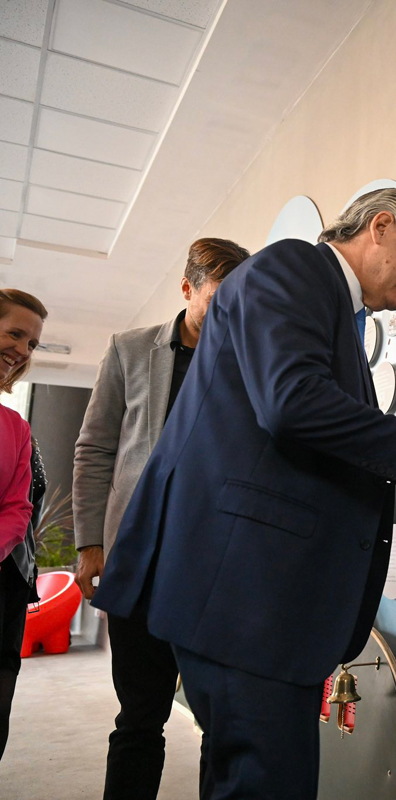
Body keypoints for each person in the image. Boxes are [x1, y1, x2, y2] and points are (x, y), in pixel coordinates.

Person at [91, 189, 396, 798]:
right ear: (380, 227)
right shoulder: (296, 267)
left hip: (257, 604)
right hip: (247, 600)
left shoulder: (327, 301)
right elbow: (292, 402)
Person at [72, 237, 249, 798]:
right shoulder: (130, 350)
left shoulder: (249, 359)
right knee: (139, 717)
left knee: (218, 722)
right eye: (219, 296)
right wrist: (88, 545)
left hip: (213, 568)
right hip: (139, 561)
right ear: (187, 288)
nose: (230, 310)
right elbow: (95, 449)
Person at [0, 288, 46, 763]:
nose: (23, 351)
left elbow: (18, 507)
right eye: (15, 333)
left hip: (2, 583)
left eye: (31, 343)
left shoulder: (15, 427)